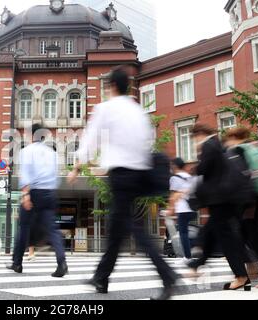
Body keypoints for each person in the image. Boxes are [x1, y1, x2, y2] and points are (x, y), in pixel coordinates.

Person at [68, 67, 178, 300]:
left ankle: (167, 275)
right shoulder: (138, 110)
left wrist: (78, 165)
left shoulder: (106, 108)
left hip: (121, 174)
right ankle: (101, 277)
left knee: (132, 228)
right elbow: (147, 141)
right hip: (139, 173)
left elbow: (92, 137)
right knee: (117, 229)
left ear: (112, 87)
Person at [188, 124, 251, 291]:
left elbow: (203, 169)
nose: (195, 141)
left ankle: (241, 276)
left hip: (220, 199)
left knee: (225, 238)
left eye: (194, 137)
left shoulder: (209, 145)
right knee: (211, 232)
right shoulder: (217, 145)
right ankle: (197, 264)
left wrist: (197, 162)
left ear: (200, 134)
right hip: (225, 198)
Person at [6, 124, 68, 277]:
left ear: (30, 135)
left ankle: (17, 263)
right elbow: (56, 176)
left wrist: (26, 194)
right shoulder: (52, 153)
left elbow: (25, 173)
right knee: (52, 229)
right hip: (50, 193)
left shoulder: (27, 151)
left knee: (24, 227)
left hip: (34, 193)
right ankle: (62, 262)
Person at [223, 127, 258, 289]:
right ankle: (250, 272)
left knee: (252, 234)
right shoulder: (256, 147)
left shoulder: (241, 149)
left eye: (229, 138)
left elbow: (240, 174)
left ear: (234, 137)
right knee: (247, 234)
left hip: (252, 197)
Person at [168, 158, 197, 265]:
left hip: (183, 210)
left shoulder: (174, 178)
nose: (170, 167)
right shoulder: (189, 176)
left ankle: (188, 257)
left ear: (175, 166)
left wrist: (170, 210)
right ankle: (195, 248)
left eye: (171, 165)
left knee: (183, 233)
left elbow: (173, 196)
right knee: (186, 232)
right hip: (193, 209)